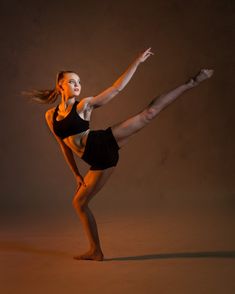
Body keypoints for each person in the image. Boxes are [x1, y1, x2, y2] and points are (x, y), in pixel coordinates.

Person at [24, 47, 214, 261]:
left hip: (103, 144)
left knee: (148, 114)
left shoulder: (84, 105)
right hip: (96, 162)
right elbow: (64, 146)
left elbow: (116, 89)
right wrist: (76, 174)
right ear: (60, 85)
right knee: (79, 203)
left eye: (78, 81)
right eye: (71, 81)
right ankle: (96, 251)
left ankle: (192, 82)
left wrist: (137, 61)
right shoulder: (50, 116)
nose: (77, 84)